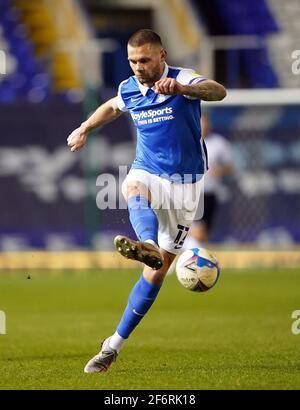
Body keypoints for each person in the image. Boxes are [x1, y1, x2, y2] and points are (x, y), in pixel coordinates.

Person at [67, 29, 226, 373]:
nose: (138, 67)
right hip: (148, 169)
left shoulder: (182, 78)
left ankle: (112, 344)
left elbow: (218, 91)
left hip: (187, 183)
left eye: (144, 60)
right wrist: (84, 128)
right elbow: (111, 106)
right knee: (132, 188)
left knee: (155, 276)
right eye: (132, 61)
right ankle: (148, 243)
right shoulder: (129, 87)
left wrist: (184, 89)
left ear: (162, 55)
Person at [184, 114, 234, 247]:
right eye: (200, 123)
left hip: (210, 193)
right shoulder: (187, 141)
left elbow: (230, 166)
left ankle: (195, 260)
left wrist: (220, 170)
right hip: (192, 193)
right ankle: (189, 258)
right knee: (197, 231)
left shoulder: (219, 143)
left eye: (205, 123)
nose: (203, 126)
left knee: (204, 233)